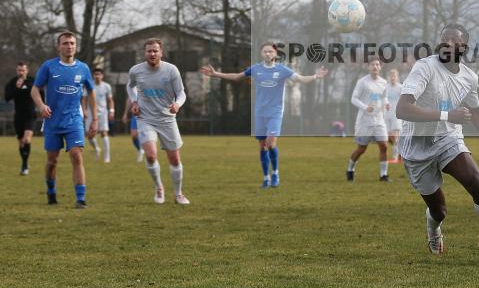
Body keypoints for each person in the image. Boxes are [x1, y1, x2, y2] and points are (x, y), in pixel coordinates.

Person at [396, 24, 479, 266]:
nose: (447, 43)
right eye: (444, 39)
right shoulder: (424, 67)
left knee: (477, 184)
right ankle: (434, 230)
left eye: (454, 41)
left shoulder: (469, 77)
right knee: (439, 211)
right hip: (417, 147)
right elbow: (402, 109)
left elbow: (476, 112)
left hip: (449, 139)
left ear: (463, 48)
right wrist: (446, 115)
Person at [200, 42, 327, 188]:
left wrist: (316, 76)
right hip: (260, 112)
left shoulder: (282, 70)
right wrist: (216, 74)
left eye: (270, 52)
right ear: (261, 54)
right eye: (265, 51)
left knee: (270, 142)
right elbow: (237, 76)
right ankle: (266, 177)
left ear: (275, 54)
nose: (268, 54)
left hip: (275, 112)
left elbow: (301, 79)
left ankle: (276, 173)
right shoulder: (256, 69)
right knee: (262, 146)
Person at [30, 32, 96, 208]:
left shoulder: (83, 68)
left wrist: (95, 118)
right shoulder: (49, 66)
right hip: (52, 121)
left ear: (76, 46)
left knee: (77, 156)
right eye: (65, 43)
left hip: (74, 119)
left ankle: (80, 199)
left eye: (72, 43)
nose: (69, 46)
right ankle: (51, 192)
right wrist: (41, 106)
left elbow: (91, 92)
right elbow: (35, 89)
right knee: (52, 161)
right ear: (58, 46)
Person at [127, 38, 189, 205]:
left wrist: (177, 104)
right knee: (151, 155)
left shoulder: (171, 70)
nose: (152, 53)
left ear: (161, 52)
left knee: (174, 160)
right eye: (149, 51)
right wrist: (134, 101)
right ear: (144, 53)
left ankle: (178, 194)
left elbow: (181, 93)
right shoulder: (136, 70)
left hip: (167, 119)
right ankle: (159, 187)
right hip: (145, 118)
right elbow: (130, 86)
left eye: (155, 50)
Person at [347, 58, 389, 181]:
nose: (375, 66)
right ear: (368, 67)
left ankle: (384, 175)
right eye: (372, 64)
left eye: (377, 64)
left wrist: (386, 104)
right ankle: (350, 169)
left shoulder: (383, 82)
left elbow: (384, 97)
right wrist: (365, 107)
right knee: (361, 149)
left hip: (379, 120)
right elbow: (353, 99)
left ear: (380, 67)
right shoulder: (362, 82)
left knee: (384, 146)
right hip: (364, 120)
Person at [5, 62, 37, 174]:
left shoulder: (33, 81)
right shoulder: (12, 82)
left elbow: (41, 94)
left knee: (27, 139)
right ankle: (25, 162)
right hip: (18, 116)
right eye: (19, 70)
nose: (21, 72)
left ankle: (24, 166)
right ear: (16, 71)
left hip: (30, 114)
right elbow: (7, 98)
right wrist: (17, 88)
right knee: (21, 142)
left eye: (23, 70)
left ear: (27, 71)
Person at [85, 68, 114, 163]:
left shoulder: (107, 86)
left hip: (103, 113)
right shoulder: (89, 85)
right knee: (89, 135)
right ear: (93, 75)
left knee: (104, 133)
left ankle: (107, 157)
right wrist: (84, 110)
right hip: (90, 113)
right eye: (95, 74)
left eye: (99, 74)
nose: (97, 76)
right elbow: (84, 99)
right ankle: (97, 148)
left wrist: (111, 111)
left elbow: (110, 100)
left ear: (102, 76)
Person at [385, 69, 403, 163]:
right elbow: (383, 98)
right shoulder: (386, 87)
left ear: (397, 77)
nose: (392, 78)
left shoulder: (401, 87)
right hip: (387, 115)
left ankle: (395, 157)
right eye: (391, 76)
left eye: (394, 76)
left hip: (396, 115)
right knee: (389, 136)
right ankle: (401, 154)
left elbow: (405, 100)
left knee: (395, 136)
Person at [121, 95, 145, 162]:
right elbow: (129, 100)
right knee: (134, 135)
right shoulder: (132, 86)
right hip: (135, 114)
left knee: (144, 134)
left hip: (146, 114)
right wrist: (125, 114)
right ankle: (140, 150)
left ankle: (145, 151)